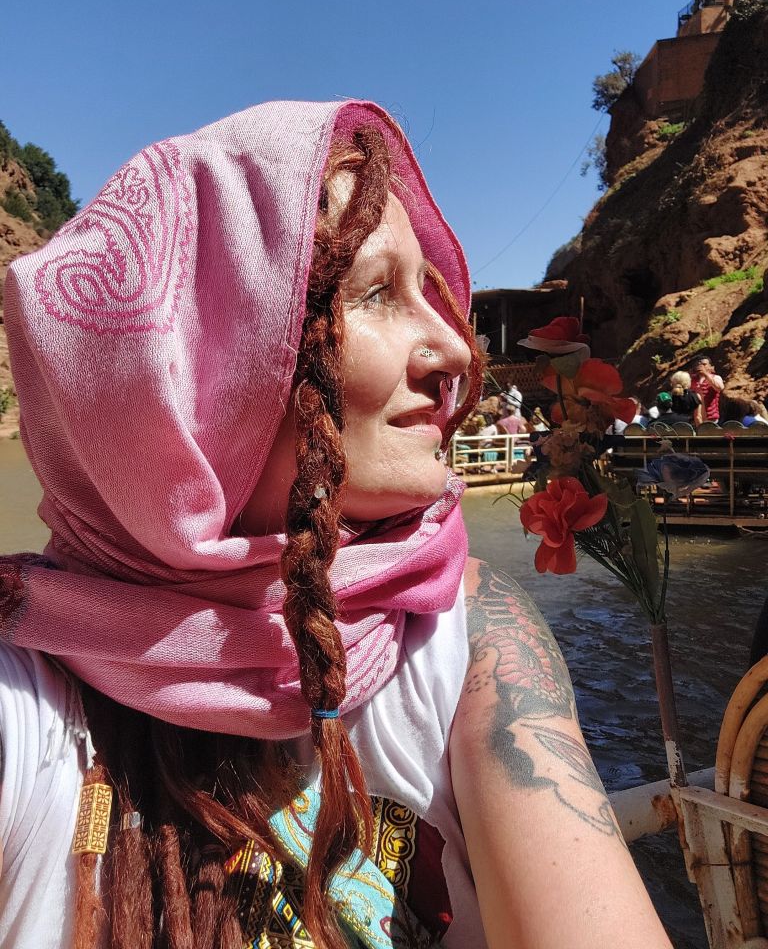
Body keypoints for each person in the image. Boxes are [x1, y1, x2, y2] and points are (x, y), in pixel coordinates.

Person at [0, 100, 671, 949]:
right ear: (201, 367)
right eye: (378, 293)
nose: (455, 351)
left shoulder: (462, 635)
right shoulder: (27, 709)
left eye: (429, 291)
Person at [689, 355, 724, 422]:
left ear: (711, 367)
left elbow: (720, 388)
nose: (701, 366)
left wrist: (706, 374)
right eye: (698, 365)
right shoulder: (692, 380)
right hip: (695, 418)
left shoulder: (716, 377)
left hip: (711, 418)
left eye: (704, 364)